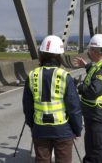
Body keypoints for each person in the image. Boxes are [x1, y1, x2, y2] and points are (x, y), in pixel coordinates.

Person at [22, 35, 82, 163]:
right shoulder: (65, 76)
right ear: (60, 56)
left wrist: (33, 126)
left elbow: (27, 106)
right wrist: (77, 129)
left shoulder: (32, 75)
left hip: (40, 129)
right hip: (62, 130)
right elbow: (74, 107)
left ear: (41, 54)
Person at [73, 34, 102, 163]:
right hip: (94, 113)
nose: (89, 52)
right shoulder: (99, 64)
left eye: (90, 49)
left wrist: (80, 88)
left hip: (97, 114)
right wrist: (86, 66)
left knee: (97, 147)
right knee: (91, 145)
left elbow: (94, 90)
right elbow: (94, 73)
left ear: (95, 51)